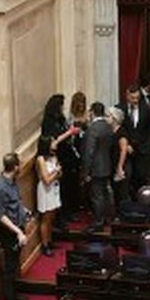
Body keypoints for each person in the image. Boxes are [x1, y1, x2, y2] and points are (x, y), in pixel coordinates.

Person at [0, 153, 29, 300]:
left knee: (14, 266)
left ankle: (14, 294)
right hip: (9, 233)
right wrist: (18, 231)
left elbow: (16, 203)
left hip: (18, 227)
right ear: (15, 167)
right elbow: (0, 215)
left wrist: (24, 211)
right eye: (19, 164)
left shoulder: (12, 181)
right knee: (9, 268)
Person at [84, 104, 122, 228]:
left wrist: (86, 172)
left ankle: (99, 221)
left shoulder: (93, 128)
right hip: (107, 165)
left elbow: (89, 152)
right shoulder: (108, 126)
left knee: (97, 196)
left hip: (96, 168)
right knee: (105, 194)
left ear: (92, 112)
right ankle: (107, 217)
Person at [57, 92, 88, 227]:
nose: (81, 107)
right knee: (72, 182)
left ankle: (81, 204)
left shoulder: (87, 115)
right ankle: (73, 208)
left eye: (82, 104)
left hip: (84, 146)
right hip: (72, 149)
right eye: (78, 104)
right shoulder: (69, 117)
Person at [117, 84, 150, 199]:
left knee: (142, 178)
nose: (135, 101)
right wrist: (126, 143)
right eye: (132, 98)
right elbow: (118, 129)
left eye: (137, 98)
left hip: (142, 150)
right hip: (125, 151)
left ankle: (141, 204)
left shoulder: (147, 109)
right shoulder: (119, 109)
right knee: (127, 178)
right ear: (127, 95)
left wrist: (147, 147)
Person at [34, 135, 62, 256]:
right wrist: (56, 172)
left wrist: (58, 173)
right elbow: (46, 180)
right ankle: (45, 245)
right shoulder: (40, 159)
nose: (55, 143)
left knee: (52, 216)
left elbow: (59, 174)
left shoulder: (53, 156)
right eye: (52, 142)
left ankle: (50, 240)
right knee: (46, 218)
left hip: (54, 189)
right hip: (45, 191)